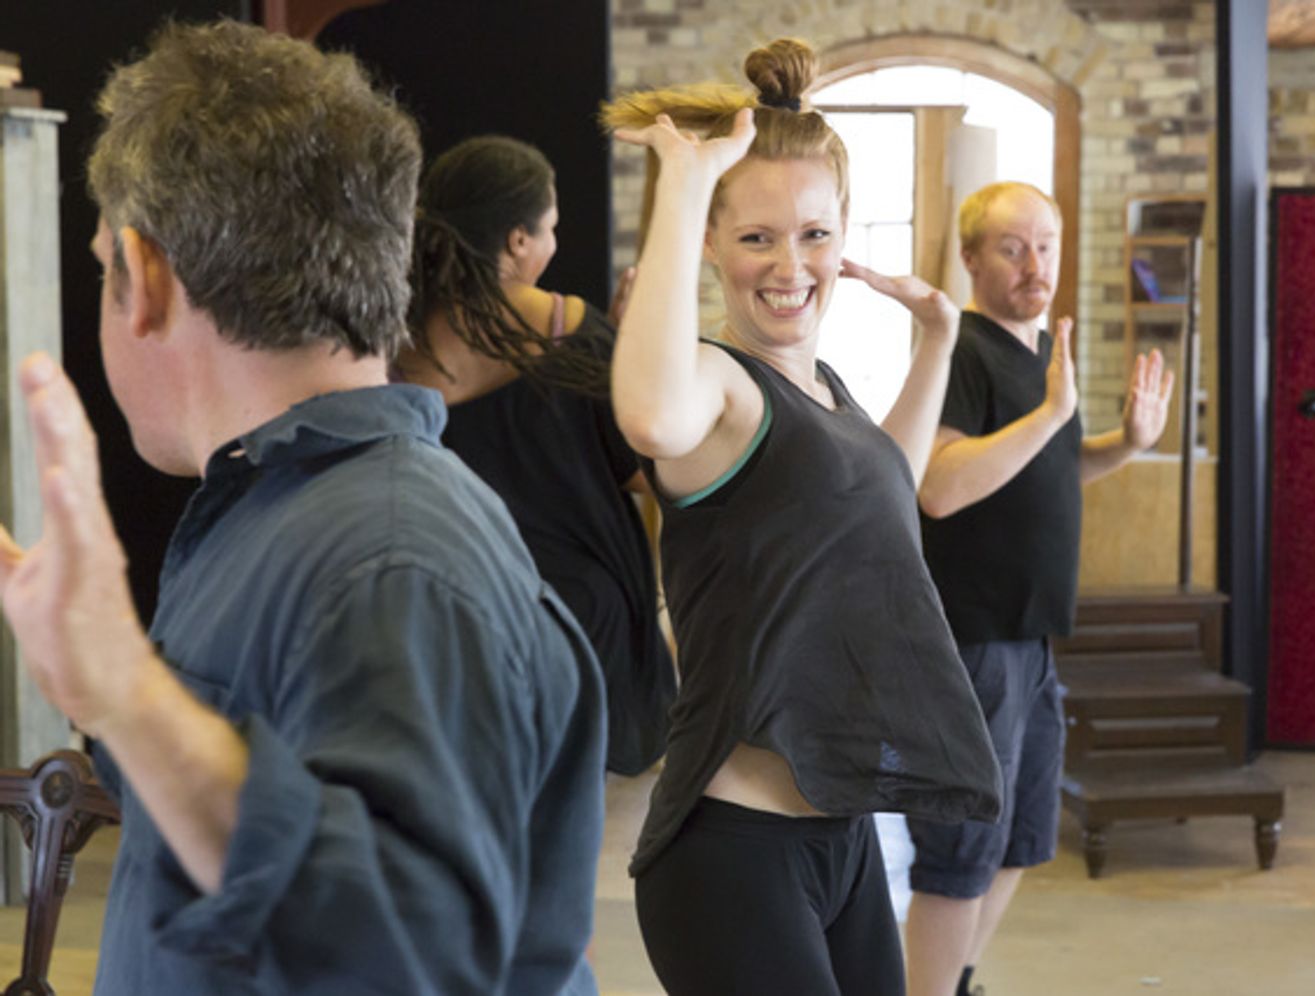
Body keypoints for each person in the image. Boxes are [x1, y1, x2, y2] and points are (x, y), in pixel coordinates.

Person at [0, 22, 605, 995]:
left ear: (145, 277)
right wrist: (98, 686)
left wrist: (126, 686)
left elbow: (408, 962)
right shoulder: (289, 511)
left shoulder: (391, 559)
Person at [601, 38, 1002, 995]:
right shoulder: (717, 389)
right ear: (708, 241)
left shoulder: (821, 389)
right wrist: (684, 183)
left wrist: (938, 341)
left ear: (845, 230)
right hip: (732, 851)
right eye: (755, 237)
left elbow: (882, 502)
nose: (790, 265)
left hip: (841, 833)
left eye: (814, 234)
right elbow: (648, 414)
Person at [897, 181, 1175, 996]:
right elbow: (939, 486)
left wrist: (1125, 440)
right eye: (1013, 248)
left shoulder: (1038, 358)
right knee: (960, 852)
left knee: (1019, 841)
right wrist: (1055, 414)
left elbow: (1048, 471)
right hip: (973, 639)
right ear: (973, 257)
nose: (1034, 264)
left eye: (1046, 245)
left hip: (1032, 640)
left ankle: (958, 980)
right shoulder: (963, 351)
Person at [398, 135, 675, 777]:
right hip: (578, 620)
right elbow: (638, 470)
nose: (553, 241)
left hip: (453, 621)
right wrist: (620, 352)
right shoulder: (569, 328)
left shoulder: (395, 344)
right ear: (518, 241)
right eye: (549, 227)